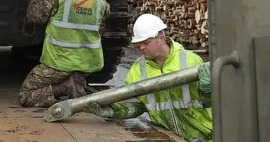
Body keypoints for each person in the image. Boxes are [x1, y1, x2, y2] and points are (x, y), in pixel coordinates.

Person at [85, 13, 213, 142]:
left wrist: (209, 91)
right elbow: (134, 104)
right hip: (170, 137)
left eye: (146, 42)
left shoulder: (190, 60)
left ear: (161, 38)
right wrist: (113, 111)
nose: (141, 47)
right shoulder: (138, 69)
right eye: (138, 44)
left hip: (204, 136)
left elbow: (214, 102)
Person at [18, 0, 110, 108]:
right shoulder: (102, 3)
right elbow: (101, 30)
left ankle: (63, 87)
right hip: (89, 65)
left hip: (59, 63)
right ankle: (75, 79)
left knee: (25, 96)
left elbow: (35, 15)